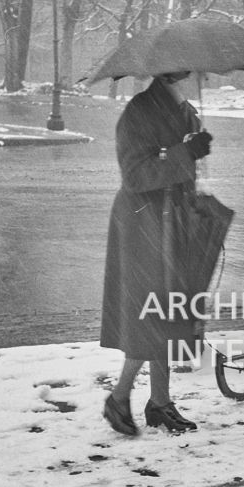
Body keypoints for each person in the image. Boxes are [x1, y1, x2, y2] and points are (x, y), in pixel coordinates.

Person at [100, 71, 214, 436]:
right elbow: (134, 175)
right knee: (152, 313)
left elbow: (185, 168)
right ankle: (119, 397)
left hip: (173, 220)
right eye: (196, 71)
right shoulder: (138, 113)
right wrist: (185, 153)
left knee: (170, 309)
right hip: (143, 223)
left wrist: (195, 150)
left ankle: (160, 403)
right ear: (176, 72)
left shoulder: (186, 111)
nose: (203, 76)